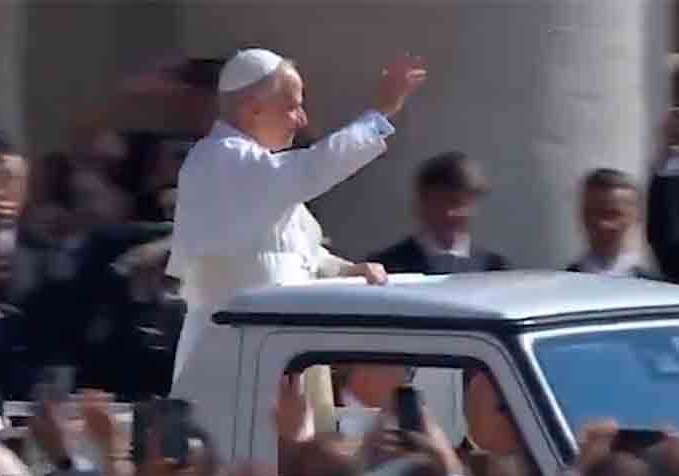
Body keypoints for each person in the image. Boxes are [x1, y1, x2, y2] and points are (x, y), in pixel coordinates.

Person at [169, 48, 427, 380]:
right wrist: (378, 115)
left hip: (280, 344)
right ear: (254, 108)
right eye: (292, 107)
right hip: (235, 351)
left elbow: (297, 251)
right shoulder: (220, 159)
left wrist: (345, 269)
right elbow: (312, 169)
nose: (302, 120)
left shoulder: (260, 171)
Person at [370, 151, 509, 274]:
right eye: (439, 204)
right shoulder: (387, 269)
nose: (448, 213)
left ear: (474, 206)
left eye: (458, 203)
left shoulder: (493, 268)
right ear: (421, 205)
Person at [566, 169, 652, 277]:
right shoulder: (562, 287)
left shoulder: (657, 289)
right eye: (594, 213)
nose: (602, 224)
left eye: (613, 214)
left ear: (636, 217)